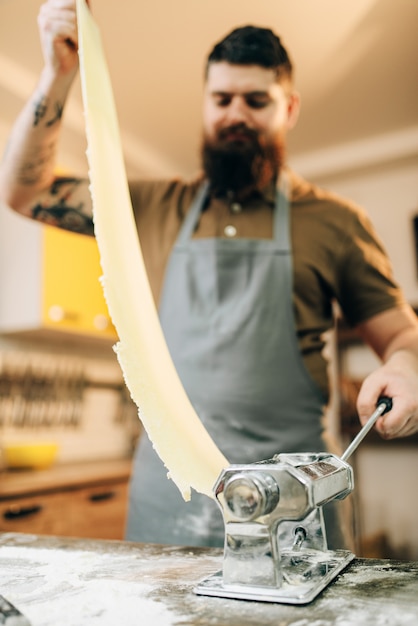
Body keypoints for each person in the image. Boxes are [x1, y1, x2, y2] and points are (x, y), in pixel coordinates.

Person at [1, 0, 418, 549]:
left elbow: (400, 335)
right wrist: (57, 76)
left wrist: (407, 367)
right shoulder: (149, 207)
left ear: (288, 108)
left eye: (256, 100)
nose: (236, 114)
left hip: (293, 504)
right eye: (222, 99)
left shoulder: (337, 223)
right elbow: (26, 193)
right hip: (168, 497)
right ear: (204, 104)